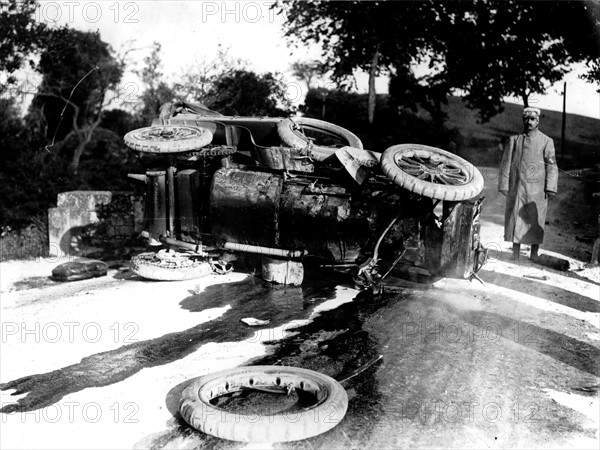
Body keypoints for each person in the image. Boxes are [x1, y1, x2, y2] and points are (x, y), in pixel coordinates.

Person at [499, 107, 558, 261]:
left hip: (537, 190)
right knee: (515, 217)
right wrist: (504, 184)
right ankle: (515, 252)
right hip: (517, 187)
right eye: (526, 119)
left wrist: (550, 186)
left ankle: (534, 253)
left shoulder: (546, 141)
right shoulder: (514, 140)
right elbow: (506, 163)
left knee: (535, 220)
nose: (529, 122)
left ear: (538, 121)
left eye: (532, 119)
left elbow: (551, 165)